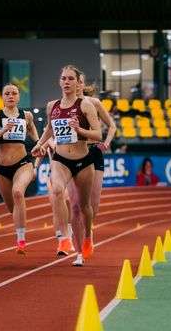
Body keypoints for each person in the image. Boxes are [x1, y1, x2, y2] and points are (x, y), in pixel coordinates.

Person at [31, 65, 101, 259]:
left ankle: (87, 236)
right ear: (59, 81)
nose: (67, 82)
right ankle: (64, 238)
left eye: (71, 79)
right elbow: (49, 129)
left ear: (77, 82)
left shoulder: (85, 105)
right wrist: (40, 144)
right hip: (61, 159)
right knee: (56, 191)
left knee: (84, 206)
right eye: (64, 78)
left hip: (83, 160)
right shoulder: (51, 106)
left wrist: (80, 130)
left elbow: (98, 134)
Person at [0, 83, 40, 254]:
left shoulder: (27, 115)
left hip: (23, 163)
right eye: (7, 93)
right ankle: (20, 227)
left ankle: (21, 241)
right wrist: (2, 131)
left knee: (17, 193)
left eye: (14, 93)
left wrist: (38, 143)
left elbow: (32, 129)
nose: (11, 96)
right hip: (2, 167)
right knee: (11, 208)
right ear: (2, 97)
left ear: (19, 96)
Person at [66, 73, 116, 266]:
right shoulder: (63, 104)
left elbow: (111, 125)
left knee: (92, 207)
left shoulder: (93, 103)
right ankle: (79, 252)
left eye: (78, 81)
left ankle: (88, 232)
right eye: (71, 81)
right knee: (75, 204)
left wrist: (107, 143)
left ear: (82, 84)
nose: (75, 84)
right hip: (72, 154)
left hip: (94, 153)